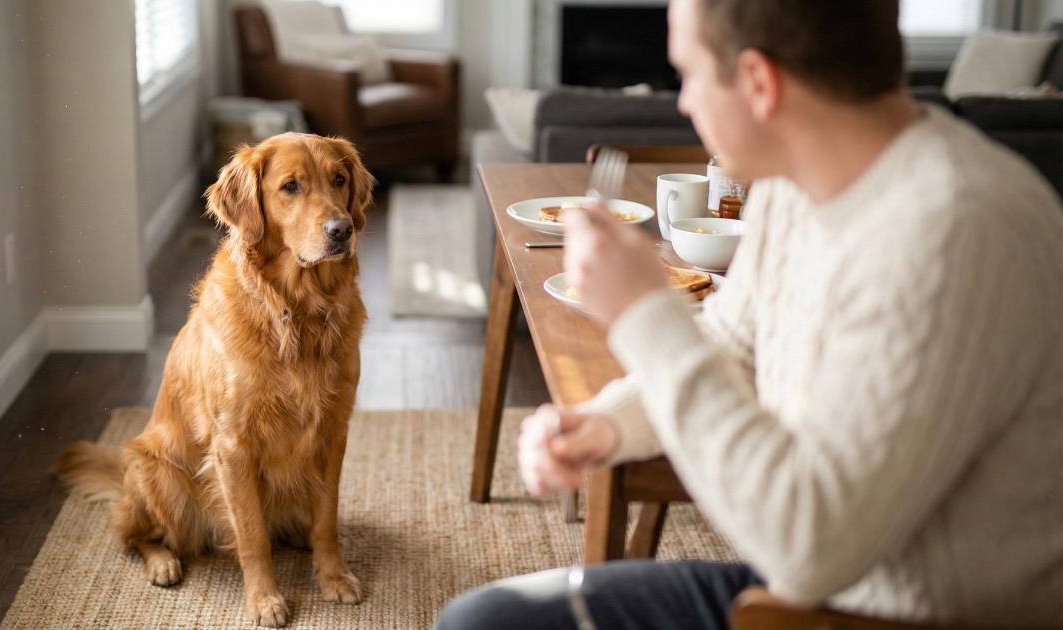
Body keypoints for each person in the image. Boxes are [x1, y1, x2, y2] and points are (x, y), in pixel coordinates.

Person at [436, 0, 1063, 628]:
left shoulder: (954, 227)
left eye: (687, 73)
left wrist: (645, 311)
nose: (682, 103)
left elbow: (810, 548)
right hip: (817, 590)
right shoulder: (794, 188)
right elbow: (732, 348)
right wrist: (609, 425)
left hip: (887, 609)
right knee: (486, 616)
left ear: (760, 83)